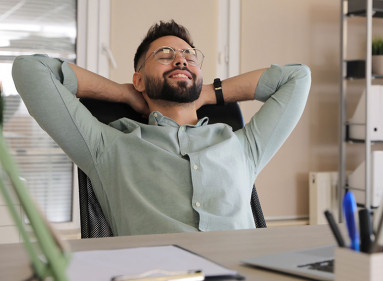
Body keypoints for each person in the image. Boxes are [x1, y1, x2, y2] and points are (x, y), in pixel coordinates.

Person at [12, 20, 311, 236]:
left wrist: (207, 93)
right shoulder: (106, 146)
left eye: (189, 55)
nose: (181, 58)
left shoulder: (243, 146)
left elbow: (298, 77)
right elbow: (31, 69)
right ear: (139, 79)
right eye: (165, 55)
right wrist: (124, 92)